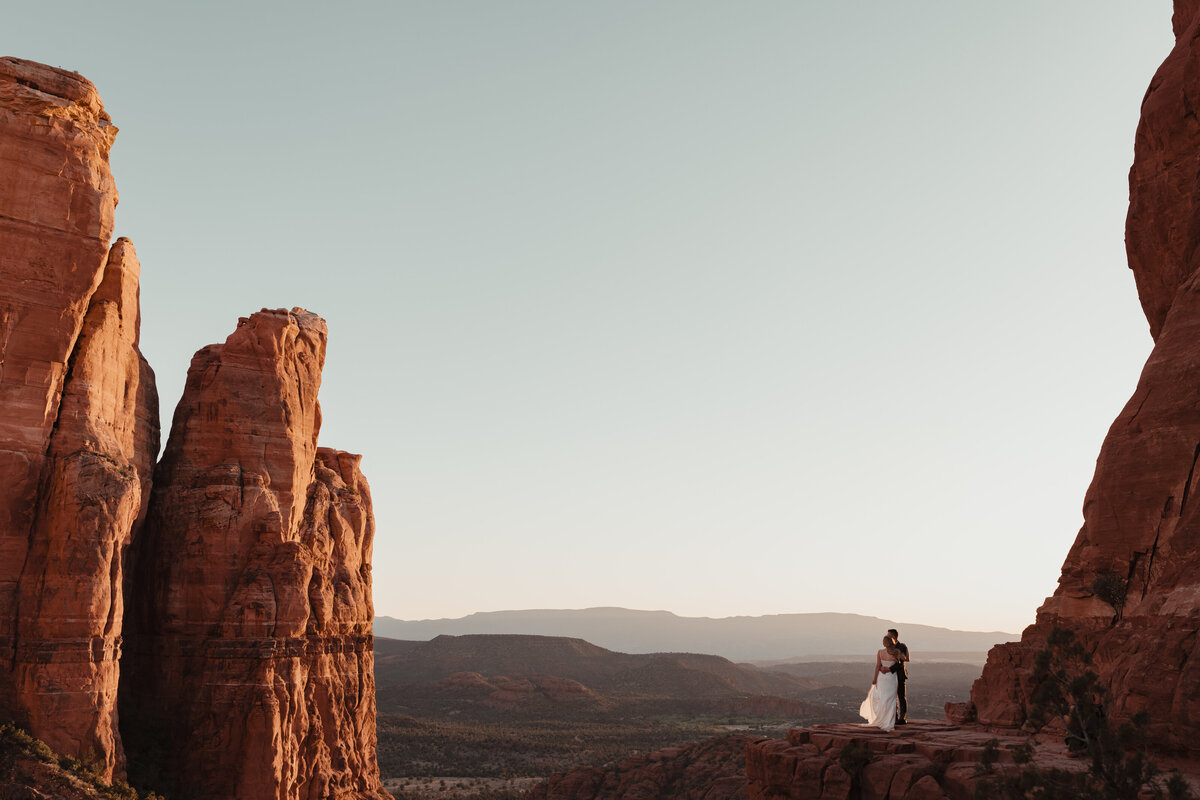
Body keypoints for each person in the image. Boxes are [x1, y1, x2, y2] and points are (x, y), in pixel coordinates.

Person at [858, 635, 902, 731]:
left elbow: (878, 666)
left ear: (884, 643)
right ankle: (889, 722)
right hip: (891, 678)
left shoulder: (880, 652)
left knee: (882, 699)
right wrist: (889, 668)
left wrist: (874, 679)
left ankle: (881, 719)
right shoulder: (897, 652)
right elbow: (900, 665)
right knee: (891, 700)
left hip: (882, 677)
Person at [887, 628, 910, 725]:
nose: (887, 637)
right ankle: (895, 717)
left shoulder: (901, 646)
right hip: (891, 676)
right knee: (892, 697)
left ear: (893, 636)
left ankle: (902, 718)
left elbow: (902, 661)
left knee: (901, 697)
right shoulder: (889, 648)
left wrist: (890, 669)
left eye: (888, 635)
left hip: (899, 675)